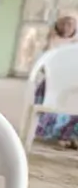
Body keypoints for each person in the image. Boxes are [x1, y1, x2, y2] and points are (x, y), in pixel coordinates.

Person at [35, 15, 78, 148]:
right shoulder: (51, 41)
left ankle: (69, 135)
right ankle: (54, 134)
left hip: (71, 80)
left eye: (70, 25)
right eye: (63, 24)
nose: (66, 27)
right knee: (52, 104)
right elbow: (43, 63)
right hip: (53, 80)